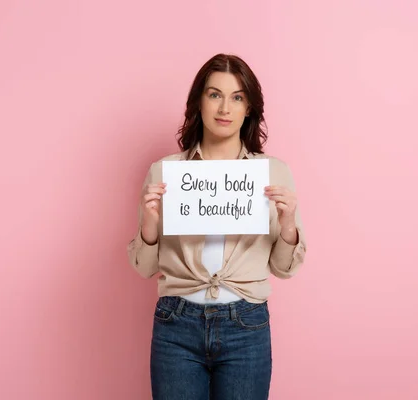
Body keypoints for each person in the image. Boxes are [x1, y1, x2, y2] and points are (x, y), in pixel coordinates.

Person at [127, 53, 307, 400]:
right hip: (176, 322)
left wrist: (287, 226)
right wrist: (149, 225)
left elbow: (284, 269)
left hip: (246, 324)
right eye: (214, 94)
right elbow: (145, 268)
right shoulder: (165, 172)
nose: (225, 107)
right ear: (199, 102)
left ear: (249, 107)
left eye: (237, 97)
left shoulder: (273, 172)